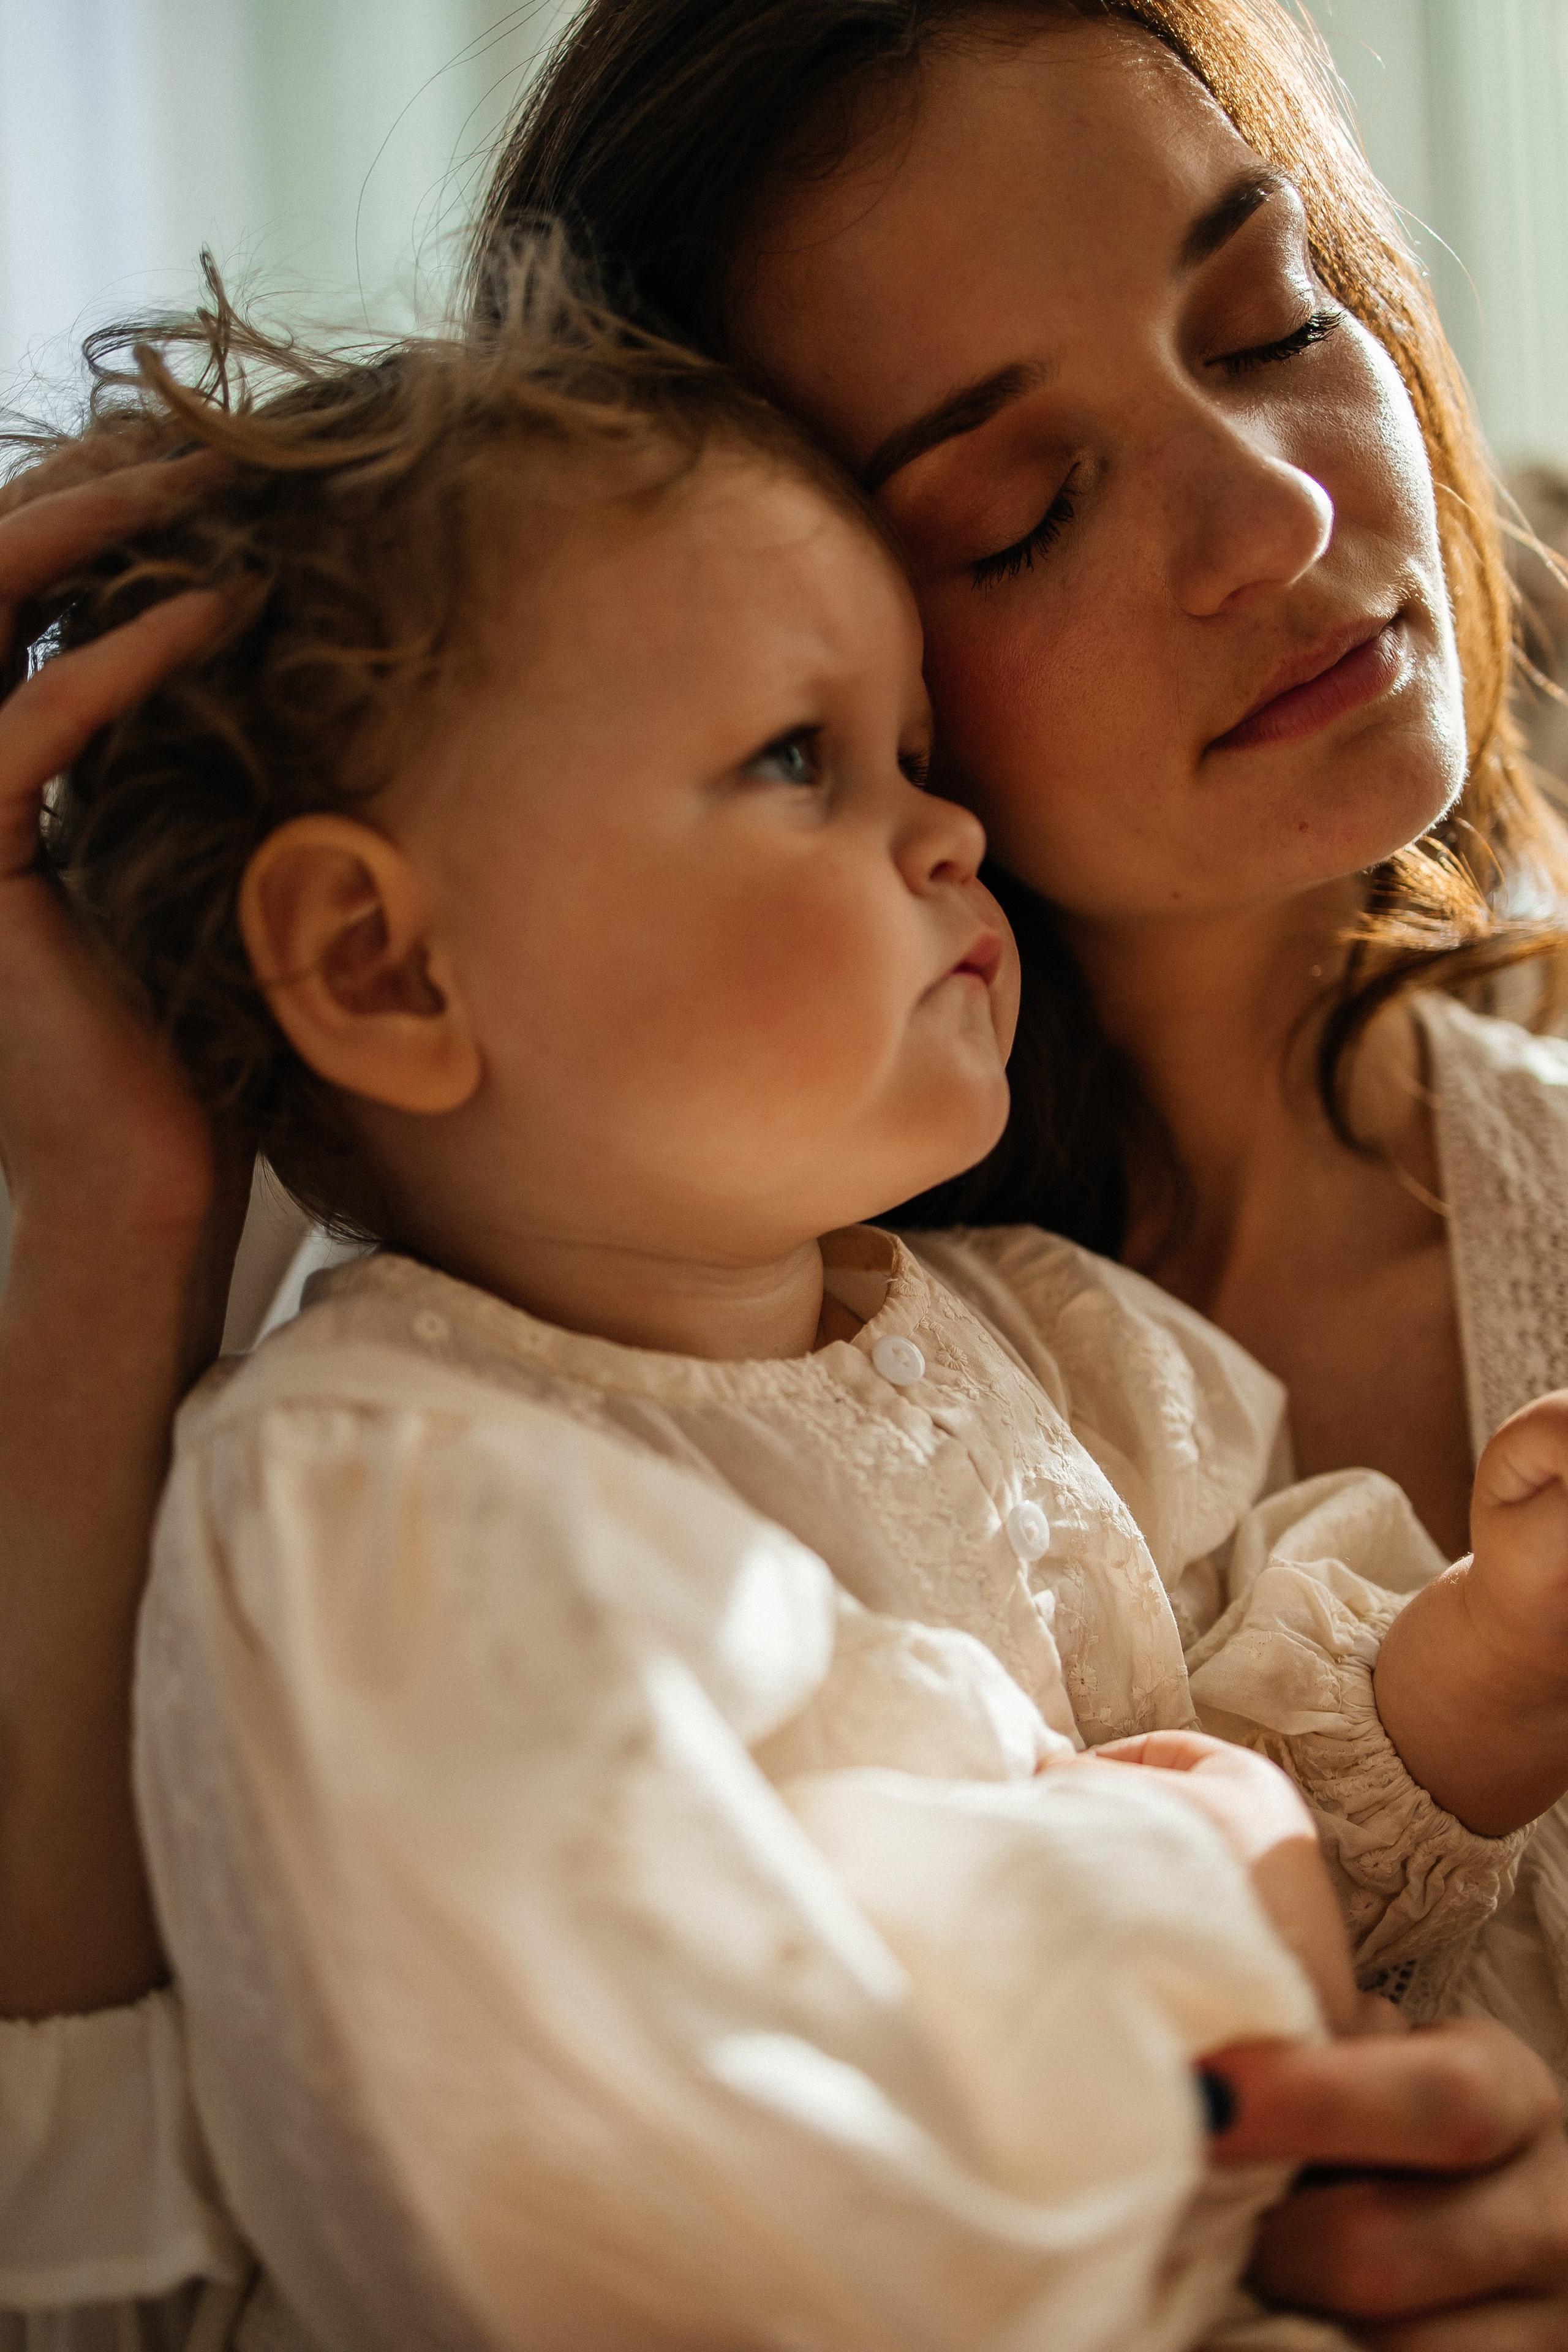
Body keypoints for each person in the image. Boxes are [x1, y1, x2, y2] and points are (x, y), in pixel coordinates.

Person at [7, 0, 1568, 2341]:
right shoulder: (446, 1433)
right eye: (1016, 509)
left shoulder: (1054, 1376)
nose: (1284, 515)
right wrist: (115, 1232)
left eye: (1272, 315)